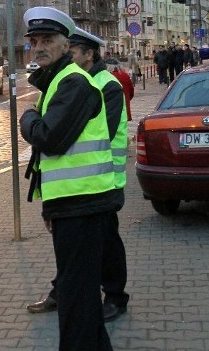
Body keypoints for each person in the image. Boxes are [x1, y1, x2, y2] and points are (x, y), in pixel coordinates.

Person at [19, 7, 122, 351]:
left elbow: (50, 138)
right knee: (80, 289)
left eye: (48, 42)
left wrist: (26, 119)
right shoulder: (60, 80)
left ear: (67, 44)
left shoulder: (72, 83)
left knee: (76, 296)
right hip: (76, 202)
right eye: (35, 42)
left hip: (82, 203)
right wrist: (49, 207)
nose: (40, 48)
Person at [27, 29, 131, 324]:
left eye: (73, 50)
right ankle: (63, 292)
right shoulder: (65, 81)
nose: (69, 54)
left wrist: (45, 130)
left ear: (90, 54)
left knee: (108, 244)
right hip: (73, 182)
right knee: (72, 248)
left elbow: (102, 133)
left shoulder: (105, 85)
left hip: (103, 180)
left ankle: (115, 296)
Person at [108, 58, 134, 122]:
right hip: (124, 108)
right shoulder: (125, 76)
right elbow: (131, 92)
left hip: (110, 109)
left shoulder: (107, 76)